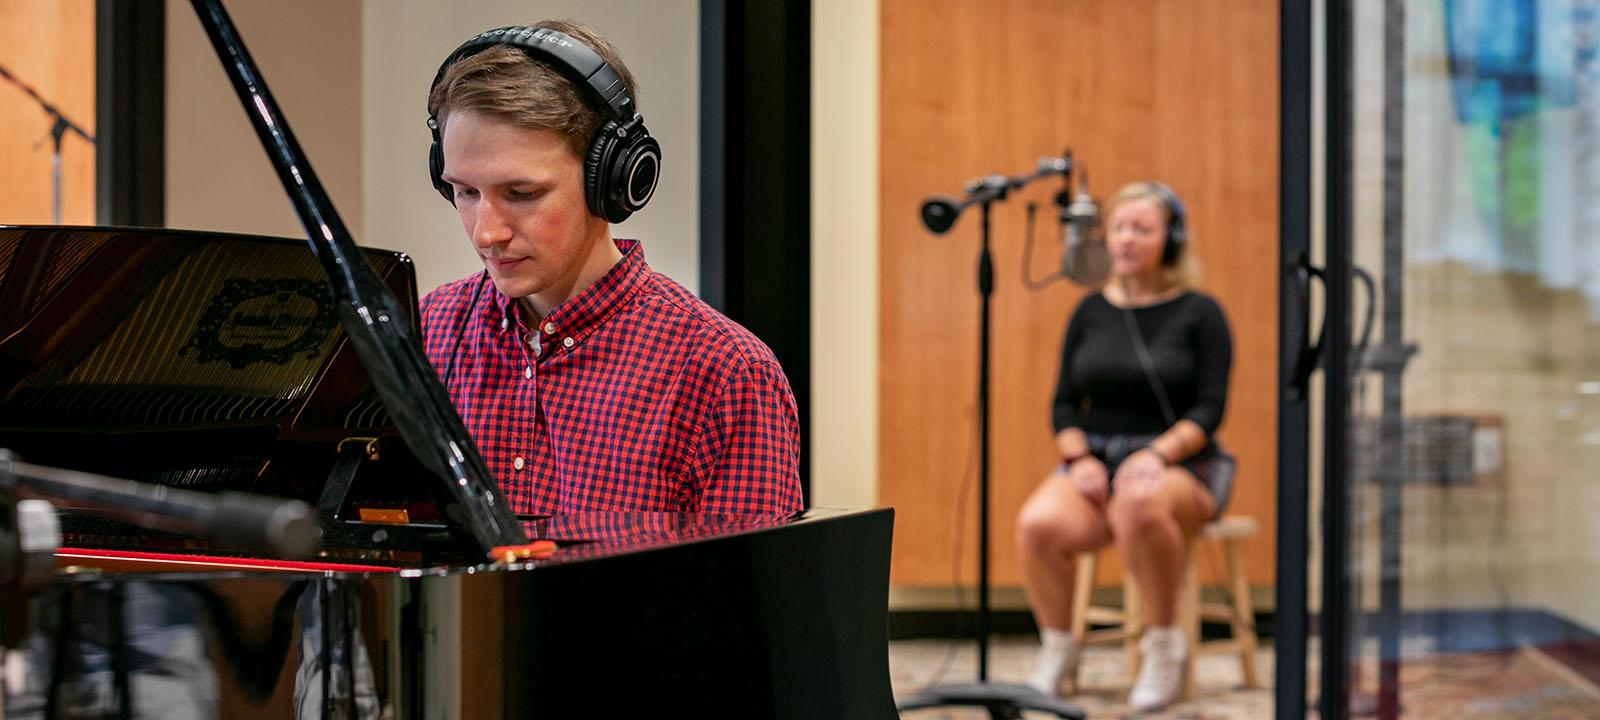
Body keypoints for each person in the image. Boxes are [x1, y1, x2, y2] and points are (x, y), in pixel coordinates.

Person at [418, 21, 803, 517]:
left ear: (614, 180)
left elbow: (748, 593)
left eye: (522, 194)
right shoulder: (427, 333)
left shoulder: (724, 375)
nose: (485, 233)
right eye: (466, 193)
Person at [1014, 181, 1234, 711]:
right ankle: (1059, 649)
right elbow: (1064, 405)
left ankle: (1163, 646)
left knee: (1138, 501)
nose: (1127, 240)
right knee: (1037, 524)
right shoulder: (1090, 311)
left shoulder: (1201, 312)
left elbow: (1209, 410)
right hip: (1096, 458)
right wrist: (1079, 458)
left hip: (1181, 462)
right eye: (1119, 228)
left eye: (1143, 228)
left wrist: (1156, 454)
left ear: (1172, 239)